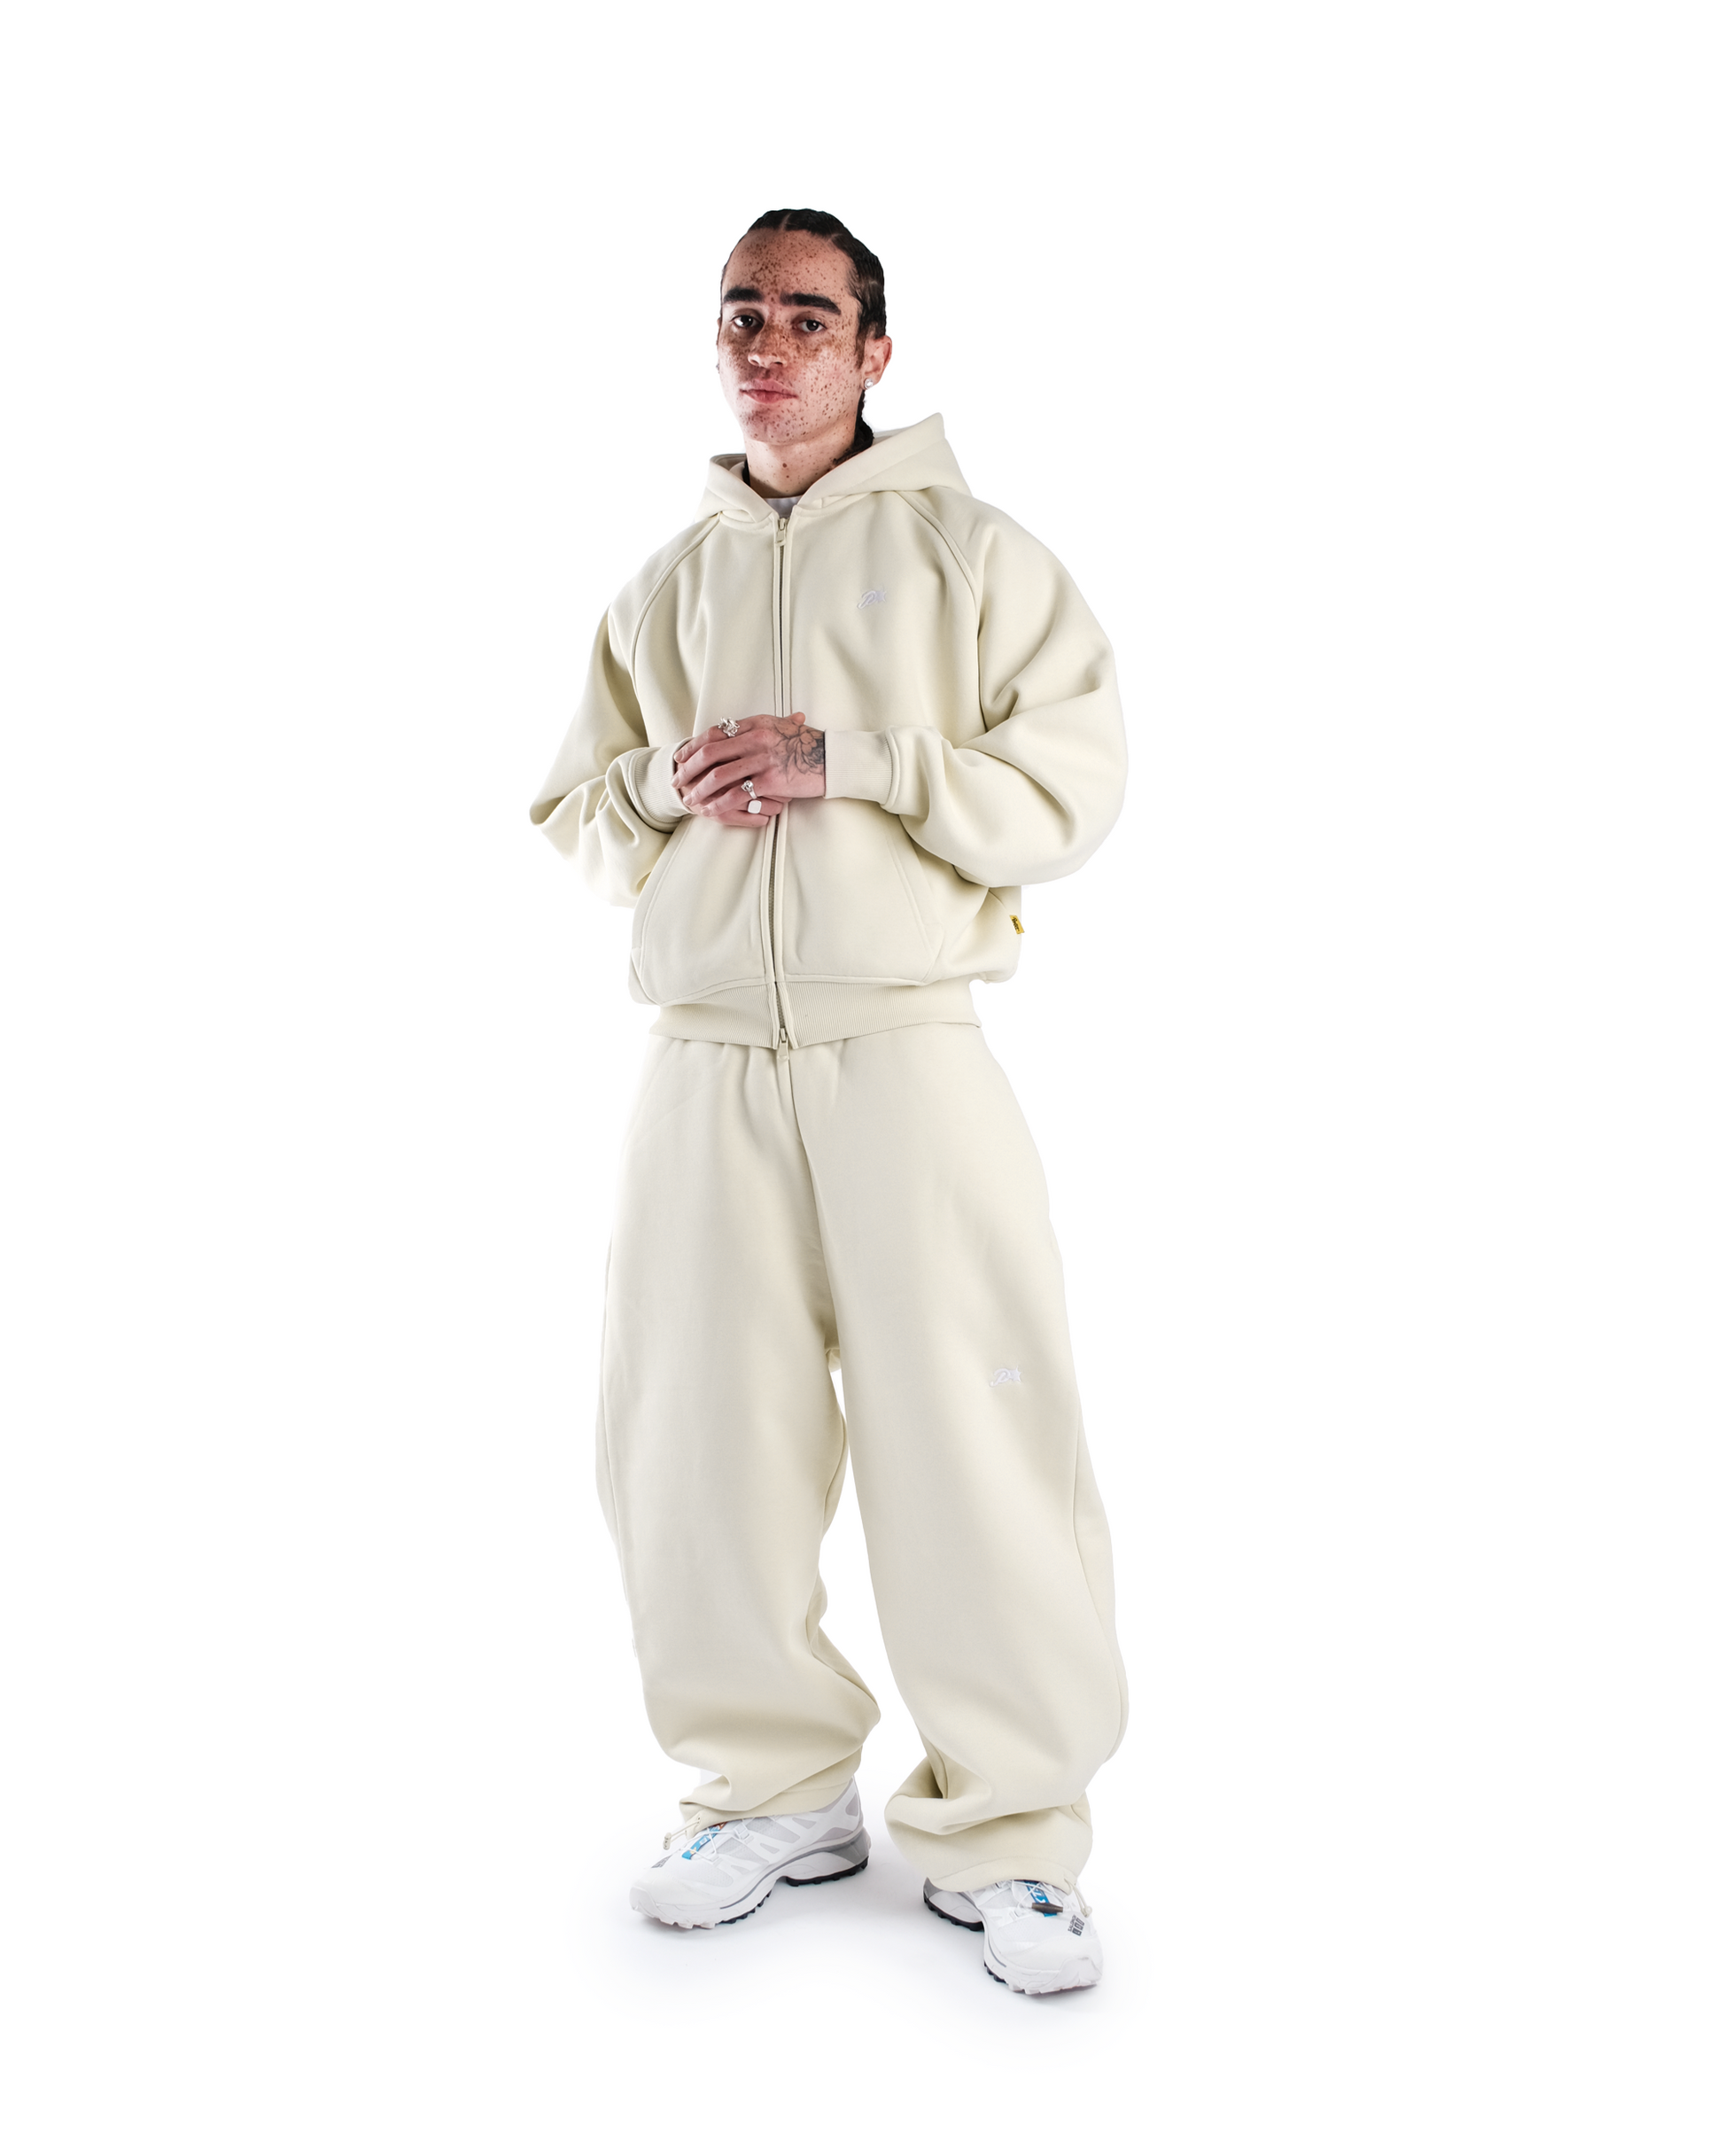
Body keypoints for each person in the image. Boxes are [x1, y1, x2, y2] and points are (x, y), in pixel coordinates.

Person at [531, 208, 1128, 1995]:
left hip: (908, 1050)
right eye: (741, 314)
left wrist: (844, 758)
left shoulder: (974, 555)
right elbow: (578, 820)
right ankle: (767, 1790)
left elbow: (1070, 787)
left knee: (972, 1438)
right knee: (693, 1440)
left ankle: (1009, 1833)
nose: (767, 345)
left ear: (874, 351)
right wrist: (668, 781)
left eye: (807, 316)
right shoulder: (666, 586)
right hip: (703, 1059)